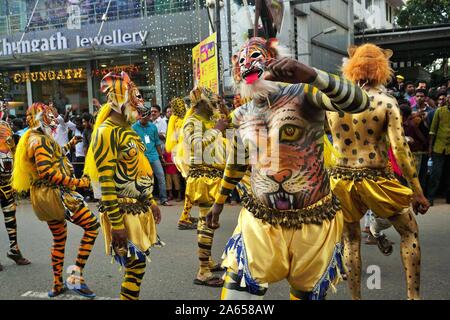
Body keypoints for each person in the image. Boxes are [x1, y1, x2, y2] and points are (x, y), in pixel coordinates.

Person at [206, 37, 370, 300]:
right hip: (259, 223)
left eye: (255, 55)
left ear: (273, 57)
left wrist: (313, 76)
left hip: (314, 223)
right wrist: (218, 203)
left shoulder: (306, 94)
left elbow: (360, 102)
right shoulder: (240, 115)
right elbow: (237, 162)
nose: (247, 62)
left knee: (305, 294)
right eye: (241, 59)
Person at [327, 43, 429, 300]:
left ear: (351, 67)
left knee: (350, 241)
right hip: (377, 178)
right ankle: (413, 297)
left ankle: (356, 298)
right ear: (383, 69)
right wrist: (417, 191)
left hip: (341, 179)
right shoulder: (385, 102)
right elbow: (401, 150)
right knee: (409, 232)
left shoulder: (333, 102)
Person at [84, 72, 163, 300]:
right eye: (135, 97)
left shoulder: (129, 130)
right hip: (122, 212)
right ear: (119, 99)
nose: (141, 103)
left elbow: (139, 172)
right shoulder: (106, 132)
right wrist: (116, 224)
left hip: (139, 208)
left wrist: (151, 201)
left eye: (140, 97)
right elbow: (106, 182)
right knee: (136, 266)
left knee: (137, 267)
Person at [11, 102, 99, 298]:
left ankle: (57, 284)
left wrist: (69, 144)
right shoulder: (39, 140)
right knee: (92, 226)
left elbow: (53, 156)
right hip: (55, 195)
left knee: (59, 239)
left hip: (43, 196)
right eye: (50, 115)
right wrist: (78, 182)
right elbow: (47, 172)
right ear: (41, 117)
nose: (54, 119)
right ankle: (75, 278)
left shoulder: (34, 137)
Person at [182, 86, 229, 287]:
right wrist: (216, 130)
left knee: (208, 222)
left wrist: (224, 112)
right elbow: (196, 145)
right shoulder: (191, 122)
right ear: (202, 103)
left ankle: (207, 261)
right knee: (206, 223)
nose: (216, 107)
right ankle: (203, 271)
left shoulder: (208, 121)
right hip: (203, 178)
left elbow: (228, 126)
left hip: (214, 176)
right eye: (214, 103)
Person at [0, 105, 31, 271]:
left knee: (11, 219)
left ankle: (14, 250)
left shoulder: (10, 139)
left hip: (7, 185)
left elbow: (16, 156)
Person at [165, 97, 198, 230]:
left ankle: (187, 215)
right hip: (184, 156)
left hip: (180, 156)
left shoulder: (175, 119)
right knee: (191, 186)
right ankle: (184, 218)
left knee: (190, 185)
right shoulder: (181, 121)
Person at [132, 105, 172, 206]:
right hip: (141, 157)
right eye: (144, 116)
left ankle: (163, 199)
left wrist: (161, 156)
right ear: (140, 116)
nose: (146, 118)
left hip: (154, 156)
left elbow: (157, 142)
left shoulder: (153, 127)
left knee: (161, 176)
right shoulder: (134, 128)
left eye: (148, 116)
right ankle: (144, 199)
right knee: (143, 178)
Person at [427, 90, 450, 205]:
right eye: (449, 97)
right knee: (436, 174)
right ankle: (430, 197)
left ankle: (448, 197)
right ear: (446, 99)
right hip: (438, 148)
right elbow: (432, 131)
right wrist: (430, 148)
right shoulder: (439, 111)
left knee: (448, 174)